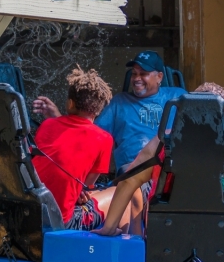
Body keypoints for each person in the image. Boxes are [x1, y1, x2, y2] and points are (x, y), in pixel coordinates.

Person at [94, 82, 224, 239]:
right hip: (223, 237)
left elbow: (128, 181)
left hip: (165, 235)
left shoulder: (162, 143)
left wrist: (109, 228)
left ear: (187, 110)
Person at [32, 51, 186, 175]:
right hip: (133, 170)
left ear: (159, 77)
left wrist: (209, 91)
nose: (137, 79)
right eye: (134, 74)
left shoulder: (177, 95)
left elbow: (201, 117)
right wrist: (58, 118)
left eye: (143, 73)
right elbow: (88, 135)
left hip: (172, 167)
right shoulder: (119, 102)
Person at [30, 68, 123, 232]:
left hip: (32, 213)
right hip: (62, 222)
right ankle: (126, 240)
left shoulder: (47, 125)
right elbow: (87, 184)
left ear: (71, 103)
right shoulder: (104, 139)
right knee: (120, 193)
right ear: (99, 109)